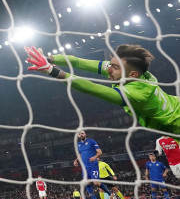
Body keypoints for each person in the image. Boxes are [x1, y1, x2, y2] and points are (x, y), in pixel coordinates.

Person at [25, 45, 180, 135]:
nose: (109, 69)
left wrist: (52, 71)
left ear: (132, 74)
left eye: (115, 67)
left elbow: (92, 88)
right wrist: (50, 58)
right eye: (111, 64)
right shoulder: (128, 73)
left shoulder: (137, 93)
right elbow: (78, 62)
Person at [73, 131, 112, 199]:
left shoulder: (91, 141)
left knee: (96, 183)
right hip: (85, 167)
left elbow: (100, 152)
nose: (81, 135)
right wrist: (76, 160)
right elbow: (81, 154)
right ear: (78, 136)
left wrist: (94, 157)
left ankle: (109, 193)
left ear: (85, 134)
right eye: (79, 134)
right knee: (86, 183)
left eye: (82, 133)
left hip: (93, 166)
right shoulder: (78, 145)